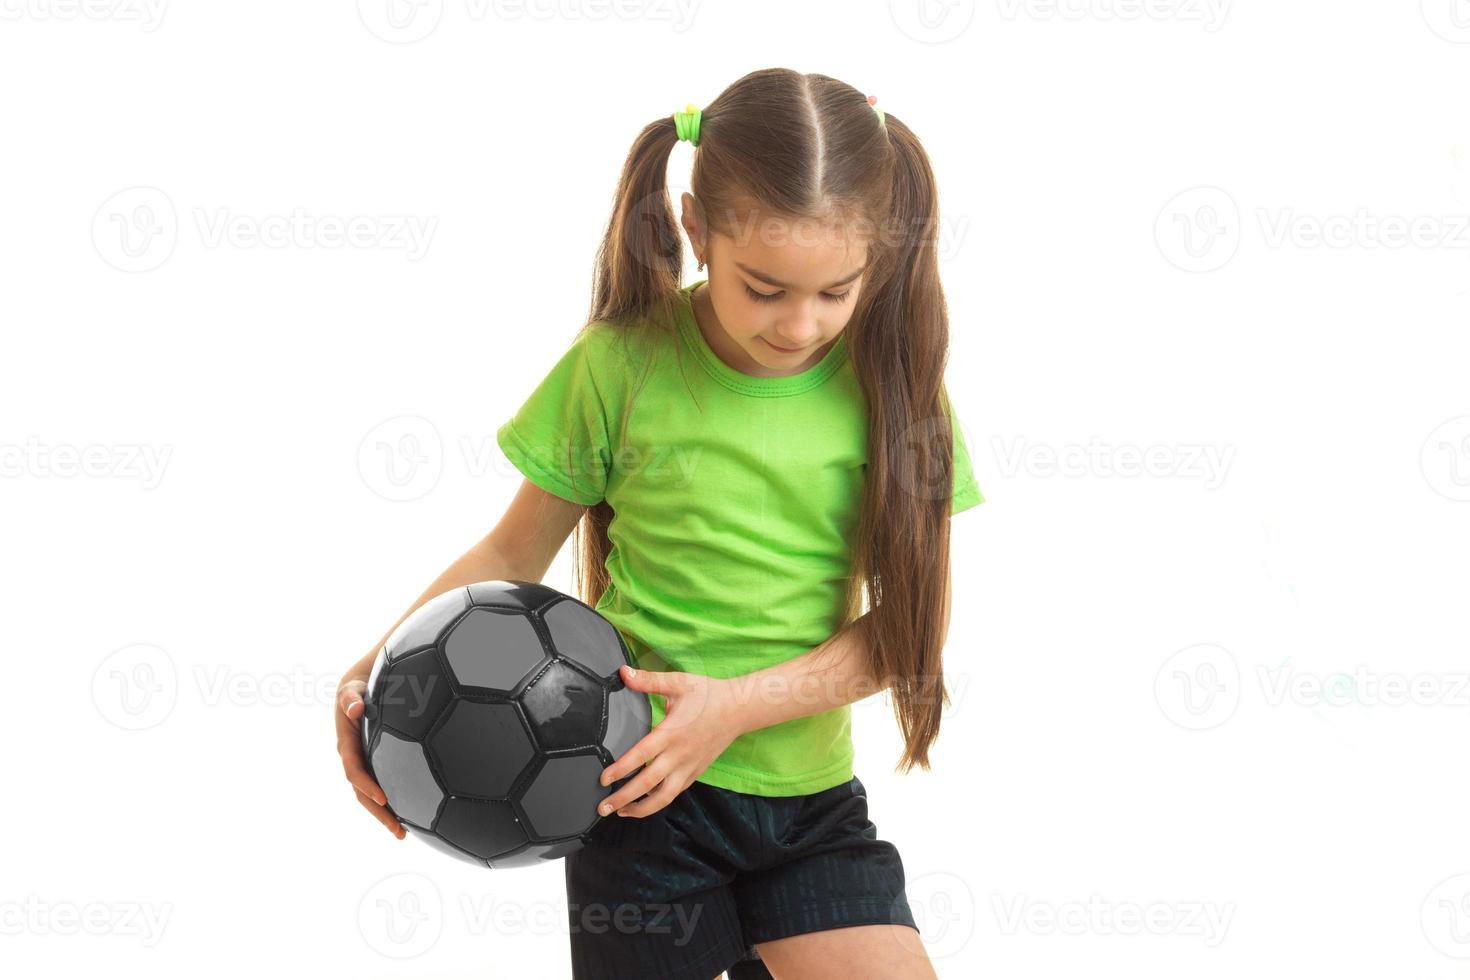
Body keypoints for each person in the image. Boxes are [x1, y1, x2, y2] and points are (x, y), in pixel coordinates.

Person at [335, 67, 984, 980]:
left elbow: (907, 633)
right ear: (693, 227)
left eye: (837, 291)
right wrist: (374, 671)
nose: (800, 324)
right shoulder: (620, 365)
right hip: (637, 799)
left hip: (810, 808)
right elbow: (511, 551)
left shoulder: (895, 391)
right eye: (764, 288)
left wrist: (735, 708)